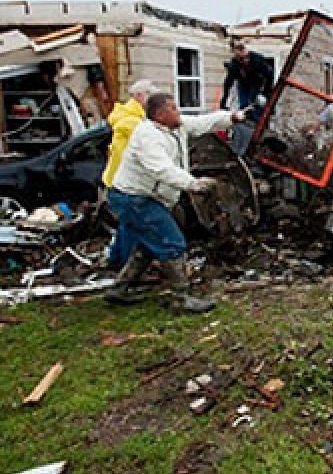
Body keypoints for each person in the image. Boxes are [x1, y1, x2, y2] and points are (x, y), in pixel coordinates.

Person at [106, 93, 248, 312]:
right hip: (134, 199)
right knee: (172, 243)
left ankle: (119, 289)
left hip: (144, 198)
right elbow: (162, 169)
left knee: (149, 244)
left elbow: (203, 122)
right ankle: (181, 298)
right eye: (173, 108)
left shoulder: (175, 127)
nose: (178, 112)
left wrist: (232, 117)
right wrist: (193, 184)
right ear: (159, 115)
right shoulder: (148, 136)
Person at [101, 79, 160, 269]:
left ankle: (115, 260)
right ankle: (126, 266)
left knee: (126, 224)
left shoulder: (128, 117)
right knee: (132, 226)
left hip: (116, 181)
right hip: (125, 184)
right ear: (140, 96)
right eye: (151, 97)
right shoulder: (134, 123)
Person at [220, 41, 275, 155]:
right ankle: (245, 121)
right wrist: (224, 100)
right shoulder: (234, 65)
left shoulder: (257, 60)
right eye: (241, 59)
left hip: (257, 82)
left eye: (245, 58)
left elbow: (269, 75)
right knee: (244, 103)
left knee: (255, 102)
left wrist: (265, 92)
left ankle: (256, 123)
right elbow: (228, 83)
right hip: (243, 83)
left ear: (247, 53)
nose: (244, 61)